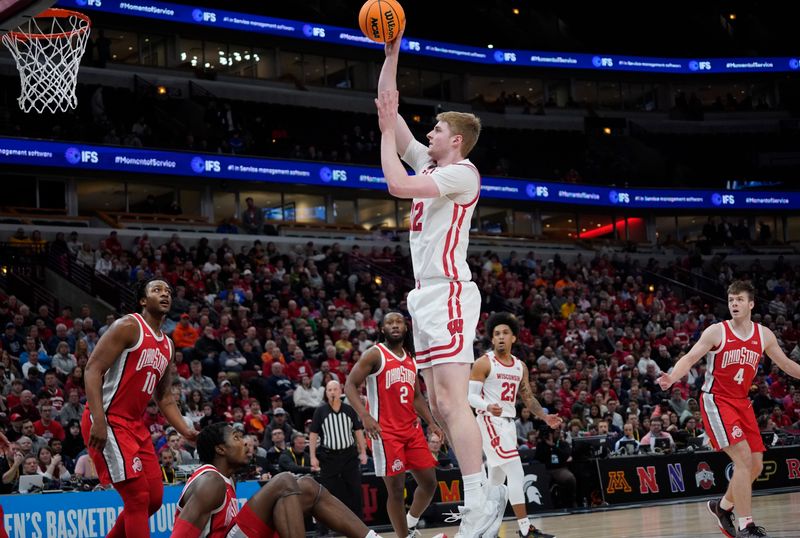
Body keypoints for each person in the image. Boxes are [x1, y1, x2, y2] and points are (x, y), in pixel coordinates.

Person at [375, 26, 506, 538]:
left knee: (452, 403)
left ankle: (480, 498)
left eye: (434, 130)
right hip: (425, 295)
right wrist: (392, 52)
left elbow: (395, 184)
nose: (426, 134)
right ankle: (480, 493)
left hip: (449, 289)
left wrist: (388, 132)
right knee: (443, 402)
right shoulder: (433, 161)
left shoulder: (463, 173)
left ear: (456, 140)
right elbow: (387, 104)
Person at [658, 280, 800, 538]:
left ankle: (722, 507)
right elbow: (690, 357)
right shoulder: (717, 332)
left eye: (740, 299)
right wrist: (672, 376)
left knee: (756, 465)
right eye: (731, 299)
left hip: (742, 402)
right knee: (744, 460)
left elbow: (787, 365)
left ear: (751, 304)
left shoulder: (764, 334)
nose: (734, 303)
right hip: (717, 400)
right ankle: (746, 525)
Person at [83, 277, 199, 538]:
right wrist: (98, 421)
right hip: (108, 418)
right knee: (137, 498)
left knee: (155, 498)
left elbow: (165, 398)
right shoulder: (128, 326)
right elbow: (92, 369)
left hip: (134, 425)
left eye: (168, 291)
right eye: (157, 290)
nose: (165, 294)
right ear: (143, 300)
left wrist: (186, 430)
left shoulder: (167, 344)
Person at [171, 422, 384, 538]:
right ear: (220, 449)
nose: (245, 443)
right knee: (284, 481)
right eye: (236, 437)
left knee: (307, 486)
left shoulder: (226, 479)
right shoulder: (211, 482)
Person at [344, 311, 442, 538]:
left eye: (399, 322)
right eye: (389, 322)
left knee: (429, 484)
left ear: (406, 328)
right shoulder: (375, 354)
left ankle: (410, 521)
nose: (395, 325)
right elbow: (350, 385)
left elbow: (417, 396)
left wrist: (432, 422)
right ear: (382, 329)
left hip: (412, 430)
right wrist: (365, 417)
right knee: (396, 491)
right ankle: (403, 536)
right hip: (385, 433)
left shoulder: (410, 359)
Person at [468, 312, 561, 538]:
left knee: (495, 482)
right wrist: (488, 406)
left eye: (505, 333)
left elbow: (528, 398)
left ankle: (482, 530)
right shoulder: (484, 363)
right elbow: (470, 397)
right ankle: (524, 529)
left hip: (508, 424)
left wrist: (544, 416)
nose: (500, 337)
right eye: (496, 334)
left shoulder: (520, 367)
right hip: (490, 421)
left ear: (513, 338)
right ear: (492, 339)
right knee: (516, 472)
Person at [309, 380, 368, 525]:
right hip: (329, 457)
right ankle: (323, 529)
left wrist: (363, 452)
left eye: (335, 389)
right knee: (325, 493)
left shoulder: (349, 409)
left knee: (355, 491)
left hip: (349, 456)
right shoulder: (320, 411)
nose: (333, 392)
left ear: (340, 391)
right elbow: (313, 434)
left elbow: (358, 431)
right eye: (329, 390)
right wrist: (312, 456)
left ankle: (359, 526)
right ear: (326, 393)